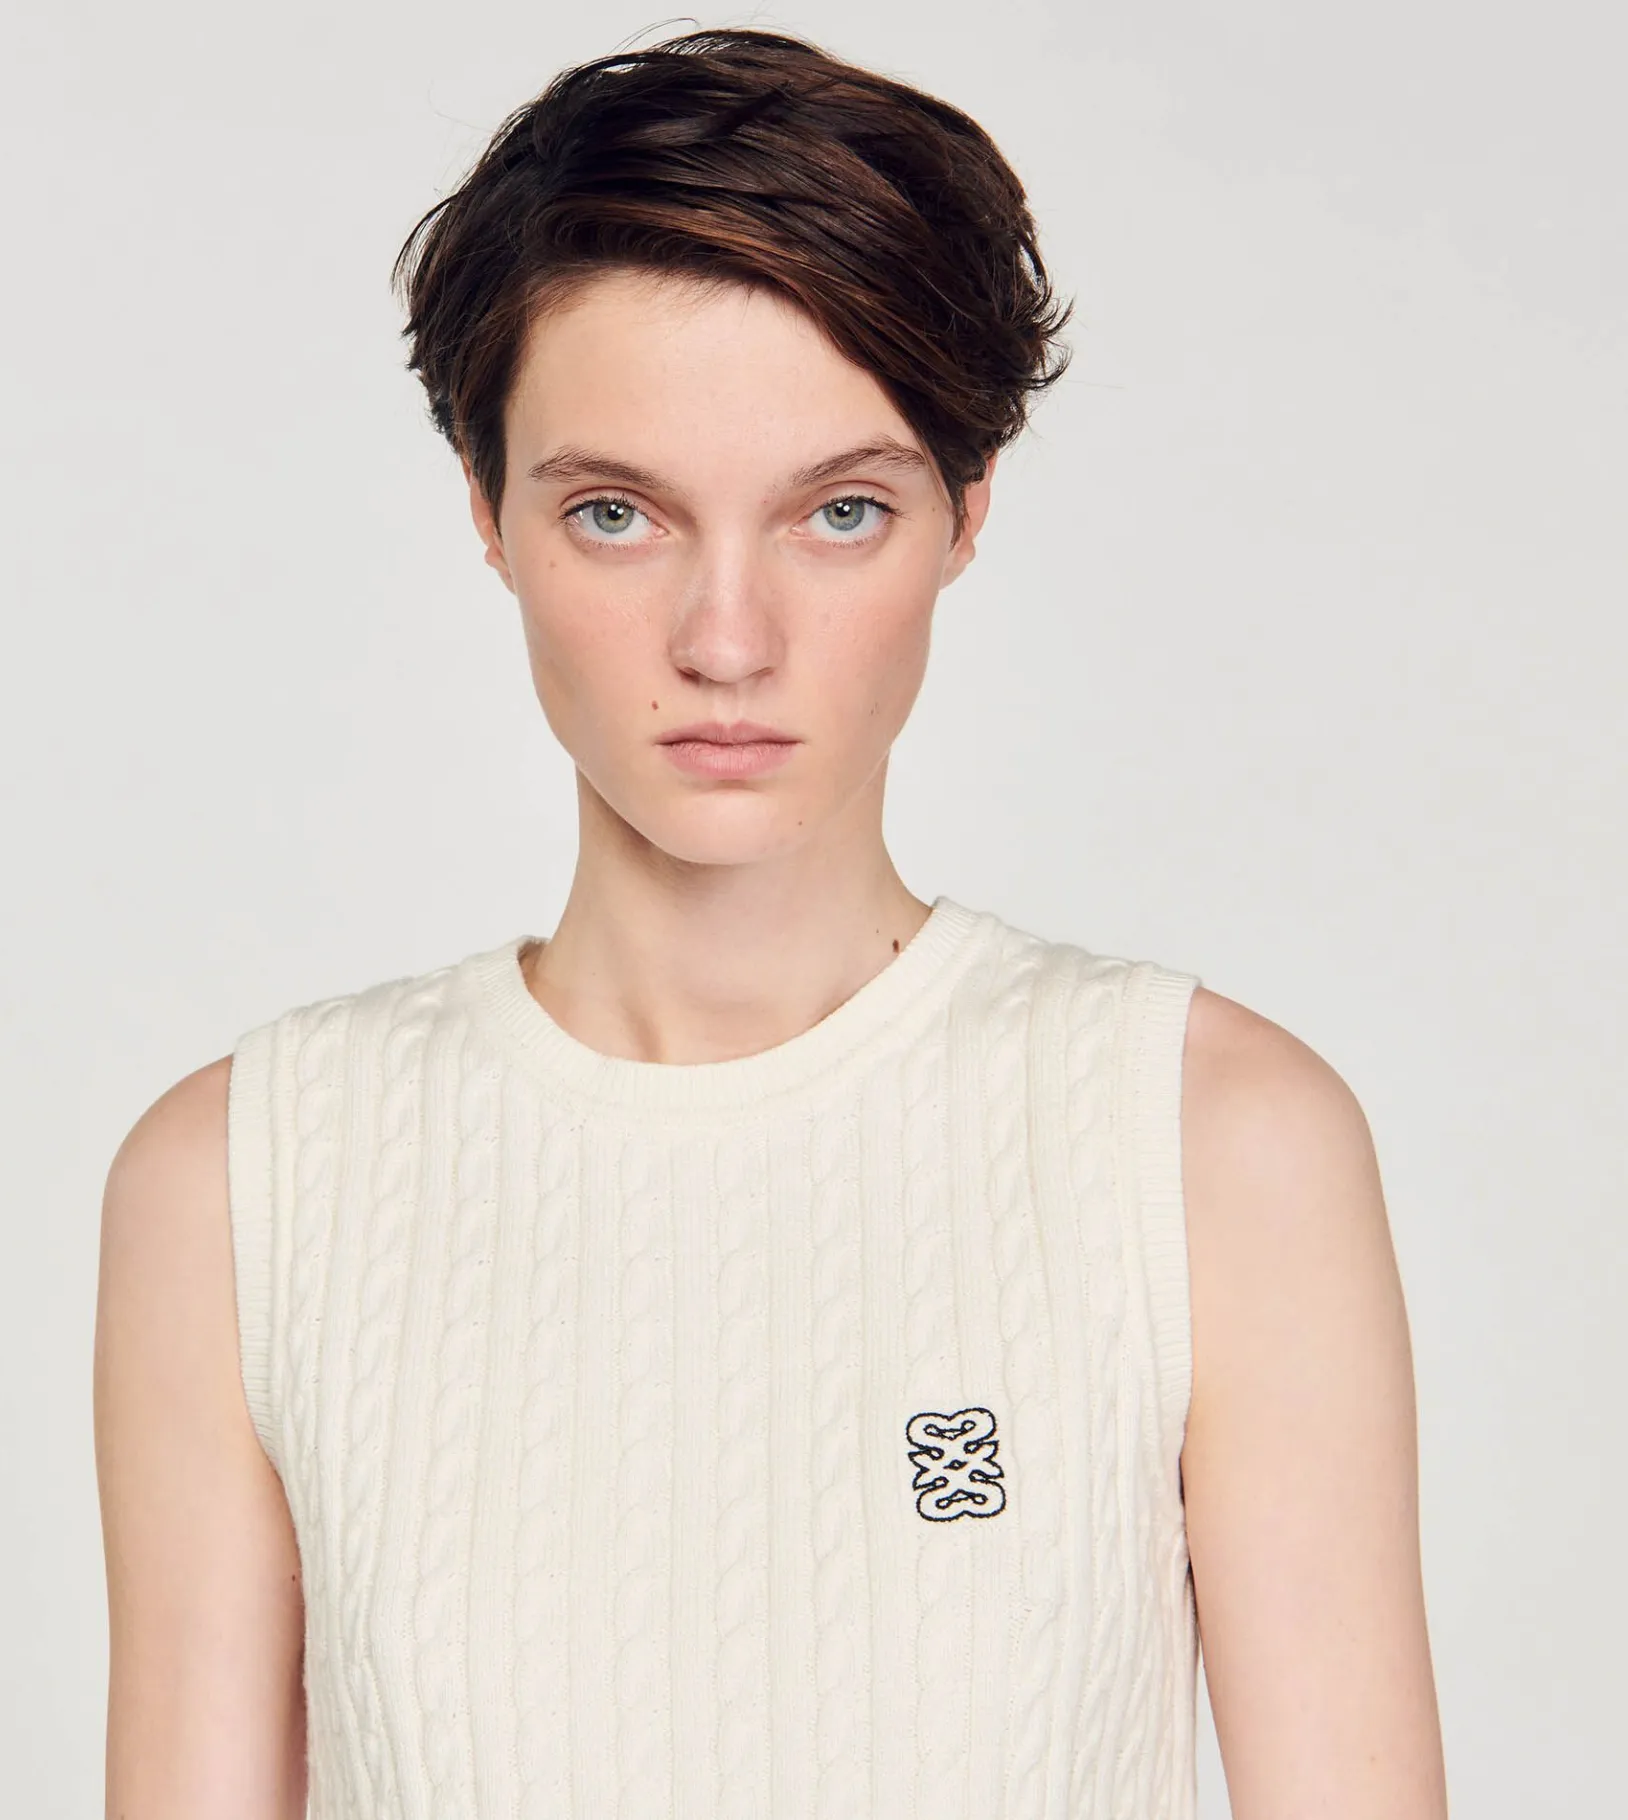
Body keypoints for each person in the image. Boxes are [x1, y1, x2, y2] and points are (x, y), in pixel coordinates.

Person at [92, 27, 1446, 1819]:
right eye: (616, 514)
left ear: (965, 516)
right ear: (488, 515)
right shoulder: (249, 1183)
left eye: (839, 512)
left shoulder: (1208, 1147)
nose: (726, 641)